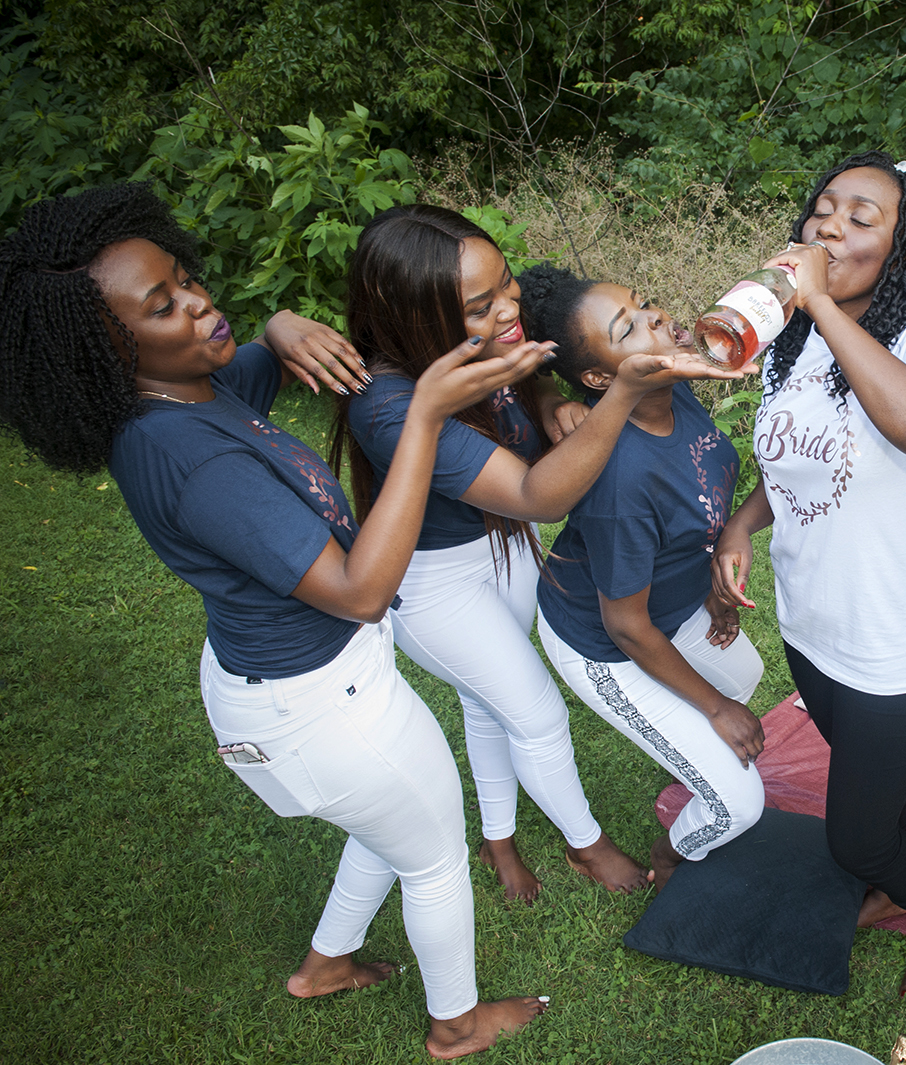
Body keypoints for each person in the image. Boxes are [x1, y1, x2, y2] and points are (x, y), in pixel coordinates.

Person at [0, 182, 554, 1058]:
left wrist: (281, 323)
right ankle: (456, 1023)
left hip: (288, 686)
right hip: (320, 707)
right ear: (108, 345)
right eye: (162, 306)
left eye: (185, 278)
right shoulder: (189, 460)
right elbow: (362, 589)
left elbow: (261, 353)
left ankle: (324, 965)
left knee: (389, 821)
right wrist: (426, 417)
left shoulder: (192, 390)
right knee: (436, 853)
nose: (198, 303)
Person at [330, 206, 747, 902]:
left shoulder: (493, 343)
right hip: (436, 584)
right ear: (417, 318)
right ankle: (585, 844)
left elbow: (530, 384)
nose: (507, 309)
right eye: (480, 305)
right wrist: (620, 395)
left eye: (506, 285)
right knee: (537, 713)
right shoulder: (391, 403)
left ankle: (498, 835)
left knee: (489, 701)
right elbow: (535, 493)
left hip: (504, 551)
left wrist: (550, 396)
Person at [710, 151, 906, 999]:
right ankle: (892, 874)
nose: (830, 226)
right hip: (812, 622)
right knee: (874, 793)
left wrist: (817, 300)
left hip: (893, 632)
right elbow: (796, 462)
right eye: (824, 209)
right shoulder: (791, 341)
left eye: (862, 217)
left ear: (903, 246)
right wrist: (743, 525)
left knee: (852, 839)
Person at [523, 265, 765, 891]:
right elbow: (624, 625)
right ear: (603, 379)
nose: (656, 318)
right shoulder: (621, 483)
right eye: (628, 327)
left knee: (746, 673)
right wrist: (713, 710)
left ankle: (697, 755)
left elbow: (697, 508)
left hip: (670, 606)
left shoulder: (671, 387)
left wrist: (712, 579)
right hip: (605, 644)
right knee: (740, 804)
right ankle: (673, 852)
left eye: (645, 304)